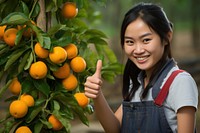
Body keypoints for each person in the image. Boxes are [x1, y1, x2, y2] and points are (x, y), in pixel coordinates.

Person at [84, 2, 198, 133]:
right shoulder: (137, 84)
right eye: (130, 42)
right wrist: (97, 95)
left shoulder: (180, 82)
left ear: (167, 37)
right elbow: (114, 129)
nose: (138, 50)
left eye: (146, 40)